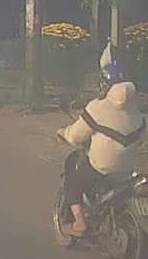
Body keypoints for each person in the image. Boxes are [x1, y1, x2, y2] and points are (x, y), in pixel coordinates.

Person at [57, 62, 147, 236]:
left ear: (104, 85)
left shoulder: (97, 107)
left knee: (72, 182)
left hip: (102, 168)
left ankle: (80, 223)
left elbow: (75, 137)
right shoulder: (136, 111)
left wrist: (63, 133)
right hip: (127, 170)